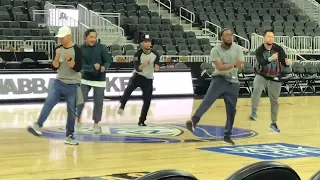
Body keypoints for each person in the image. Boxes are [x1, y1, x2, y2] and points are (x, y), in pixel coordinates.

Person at [185, 28, 244, 145]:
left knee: (232, 110)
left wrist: (238, 65)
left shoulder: (238, 48)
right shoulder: (215, 50)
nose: (229, 37)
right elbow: (220, 67)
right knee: (207, 101)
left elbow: (241, 64)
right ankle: (194, 121)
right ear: (221, 37)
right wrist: (233, 65)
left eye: (230, 35)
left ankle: (227, 135)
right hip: (219, 79)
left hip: (233, 81)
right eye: (226, 35)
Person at [27, 26, 83, 145]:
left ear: (69, 36)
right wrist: (57, 57)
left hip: (73, 85)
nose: (61, 40)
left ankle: (69, 135)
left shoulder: (77, 50)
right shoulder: (58, 48)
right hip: (59, 82)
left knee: (72, 111)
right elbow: (54, 67)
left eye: (63, 37)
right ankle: (38, 125)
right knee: (48, 103)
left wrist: (69, 59)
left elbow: (78, 68)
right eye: (60, 38)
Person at [249, 30, 292, 132]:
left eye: (272, 37)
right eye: (268, 37)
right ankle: (254, 112)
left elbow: (283, 61)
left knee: (275, 101)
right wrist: (270, 59)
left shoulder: (278, 49)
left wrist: (287, 63)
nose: (270, 39)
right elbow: (262, 62)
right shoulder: (259, 50)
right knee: (257, 90)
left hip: (275, 75)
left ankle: (273, 123)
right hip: (262, 74)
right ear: (264, 38)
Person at [117, 33, 160, 126]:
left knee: (147, 100)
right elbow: (137, 68)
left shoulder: (155, 54)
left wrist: (156, 67)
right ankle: (122, 105)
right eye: (145, 42)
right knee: (128, 91)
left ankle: (142, 120)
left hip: (148, 79)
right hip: (138, 76)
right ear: (141, 43)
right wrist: (143, 64)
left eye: (149, 42)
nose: (148, 44)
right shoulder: (138, 54)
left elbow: (157, 68)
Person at [76, 29, 111, 133]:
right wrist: (92, 67)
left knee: (99, 102)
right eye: (91, 37)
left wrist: (105, 67)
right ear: (85, 37)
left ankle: (96, 123)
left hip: (100, 79)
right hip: (86, 79)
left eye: (95, 37)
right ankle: (77, 119)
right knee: (80, 101)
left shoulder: (102, 48)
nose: (93, 39)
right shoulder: (80, 49)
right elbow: (81, 66)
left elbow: (108, 61)